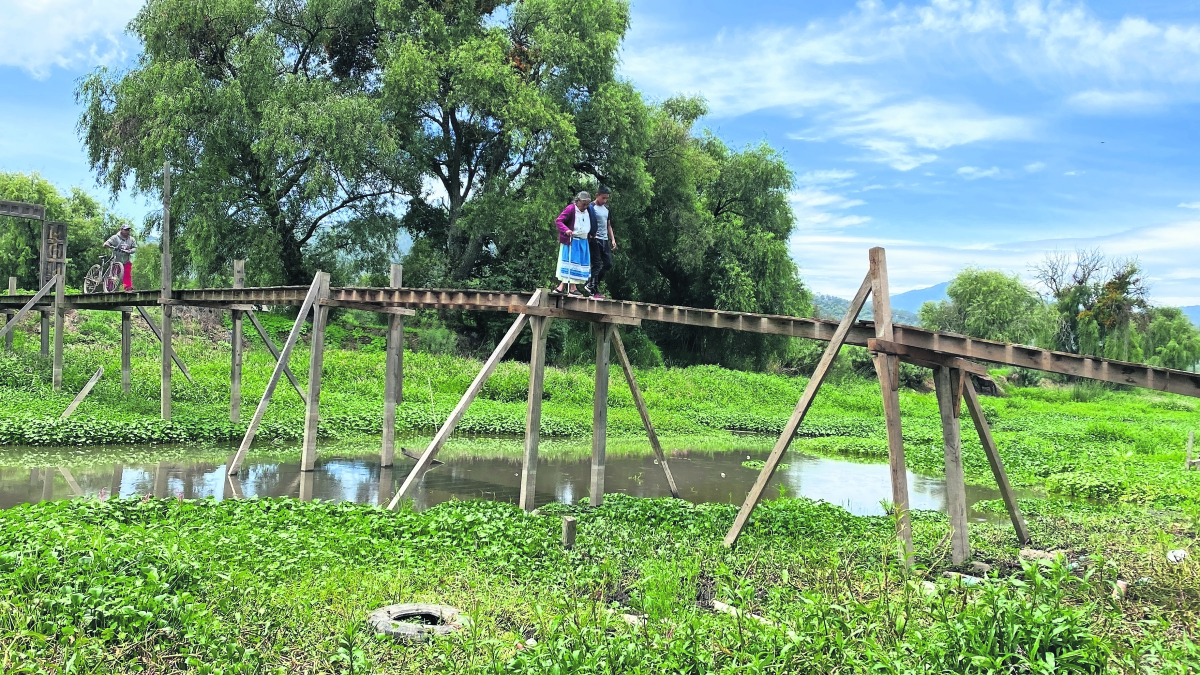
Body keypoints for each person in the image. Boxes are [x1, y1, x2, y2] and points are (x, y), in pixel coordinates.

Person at [553, 191, 597, 295]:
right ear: (577, 202)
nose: (585, 206)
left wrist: (592, 233)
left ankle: (560, 287)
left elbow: (592, 221)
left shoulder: (589, 210)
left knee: (578, 265)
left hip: (583, 241)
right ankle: (572, 288)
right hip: (572, 241)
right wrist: (566, 230)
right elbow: (559, 221)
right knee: (571, 264)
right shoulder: (571, 209)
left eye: (587, 204)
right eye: (583, 204)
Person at [584, 186, 617, 298]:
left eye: (606, 198)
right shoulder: (591, 207)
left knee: (608, 264)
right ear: (597, 195)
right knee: (597, 264)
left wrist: (612, 239)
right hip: (594, 239)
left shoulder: (607, 208)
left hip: (604, 239)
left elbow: (609, 225)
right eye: (603, 198)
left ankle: (592, 284)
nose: (604, 200)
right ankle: (593, 289)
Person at [102, 224, 137, 292]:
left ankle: (128, 287)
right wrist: (107, 245)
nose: (127, 231)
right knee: (112, 274)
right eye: (126, 230)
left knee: (127, 274)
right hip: (116, 260)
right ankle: (109, 288)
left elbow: (134, 248)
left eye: (128, 230)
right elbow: (107, 242)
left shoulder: (131, 239)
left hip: (126, 260)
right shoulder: (115, 237)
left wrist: (130, 251)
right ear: (121, 230)